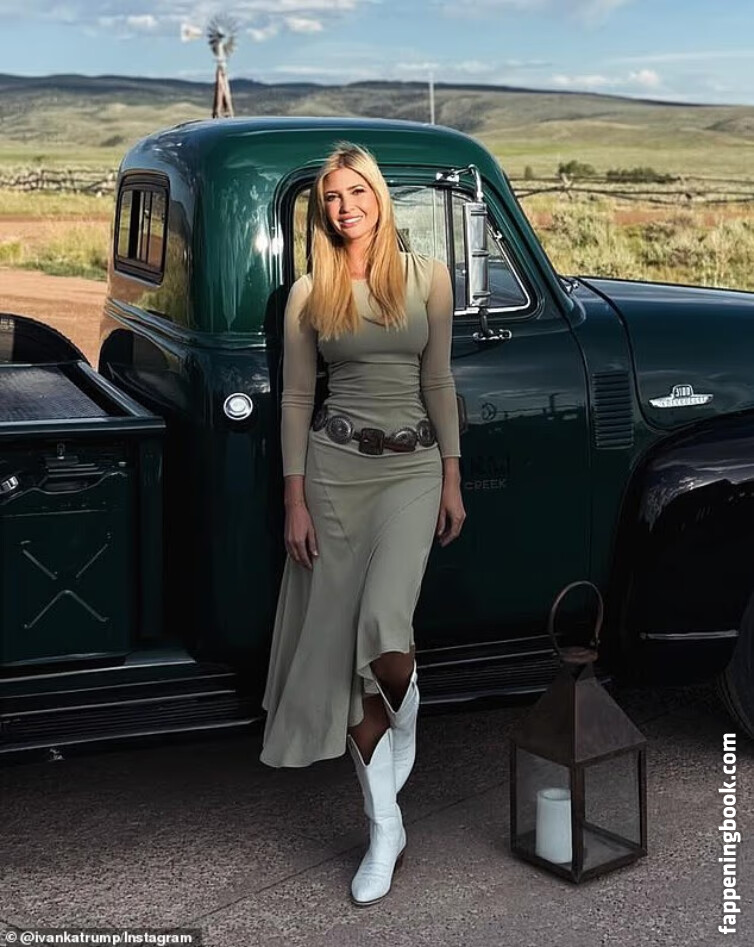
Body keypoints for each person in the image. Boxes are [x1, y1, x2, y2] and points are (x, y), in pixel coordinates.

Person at [259, 141, 466, 906]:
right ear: (323, 209)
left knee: (384, 633)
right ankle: (386, 828)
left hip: (412, 470)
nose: (345, 207)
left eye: (357, 192)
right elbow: (296, 400)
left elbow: (438, 379)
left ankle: (407, 715)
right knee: (341, 666)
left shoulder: (429, 277)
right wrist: (294, 499)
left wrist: (452, 476)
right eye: (332, 197)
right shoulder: (309, 293)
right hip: (333, 474)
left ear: (379, 196)